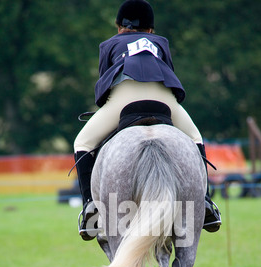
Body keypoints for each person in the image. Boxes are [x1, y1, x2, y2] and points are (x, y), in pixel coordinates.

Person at [74, 0, 221, 240]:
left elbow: (104, 85)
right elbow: (170, 76)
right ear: (150, 29)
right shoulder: (161, 42)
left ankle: (90, 207)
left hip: (124, 97)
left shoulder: (109, 44)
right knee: (195, 137)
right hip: (163, 97)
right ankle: (204, 203)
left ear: (119, 26)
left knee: (82, 142)